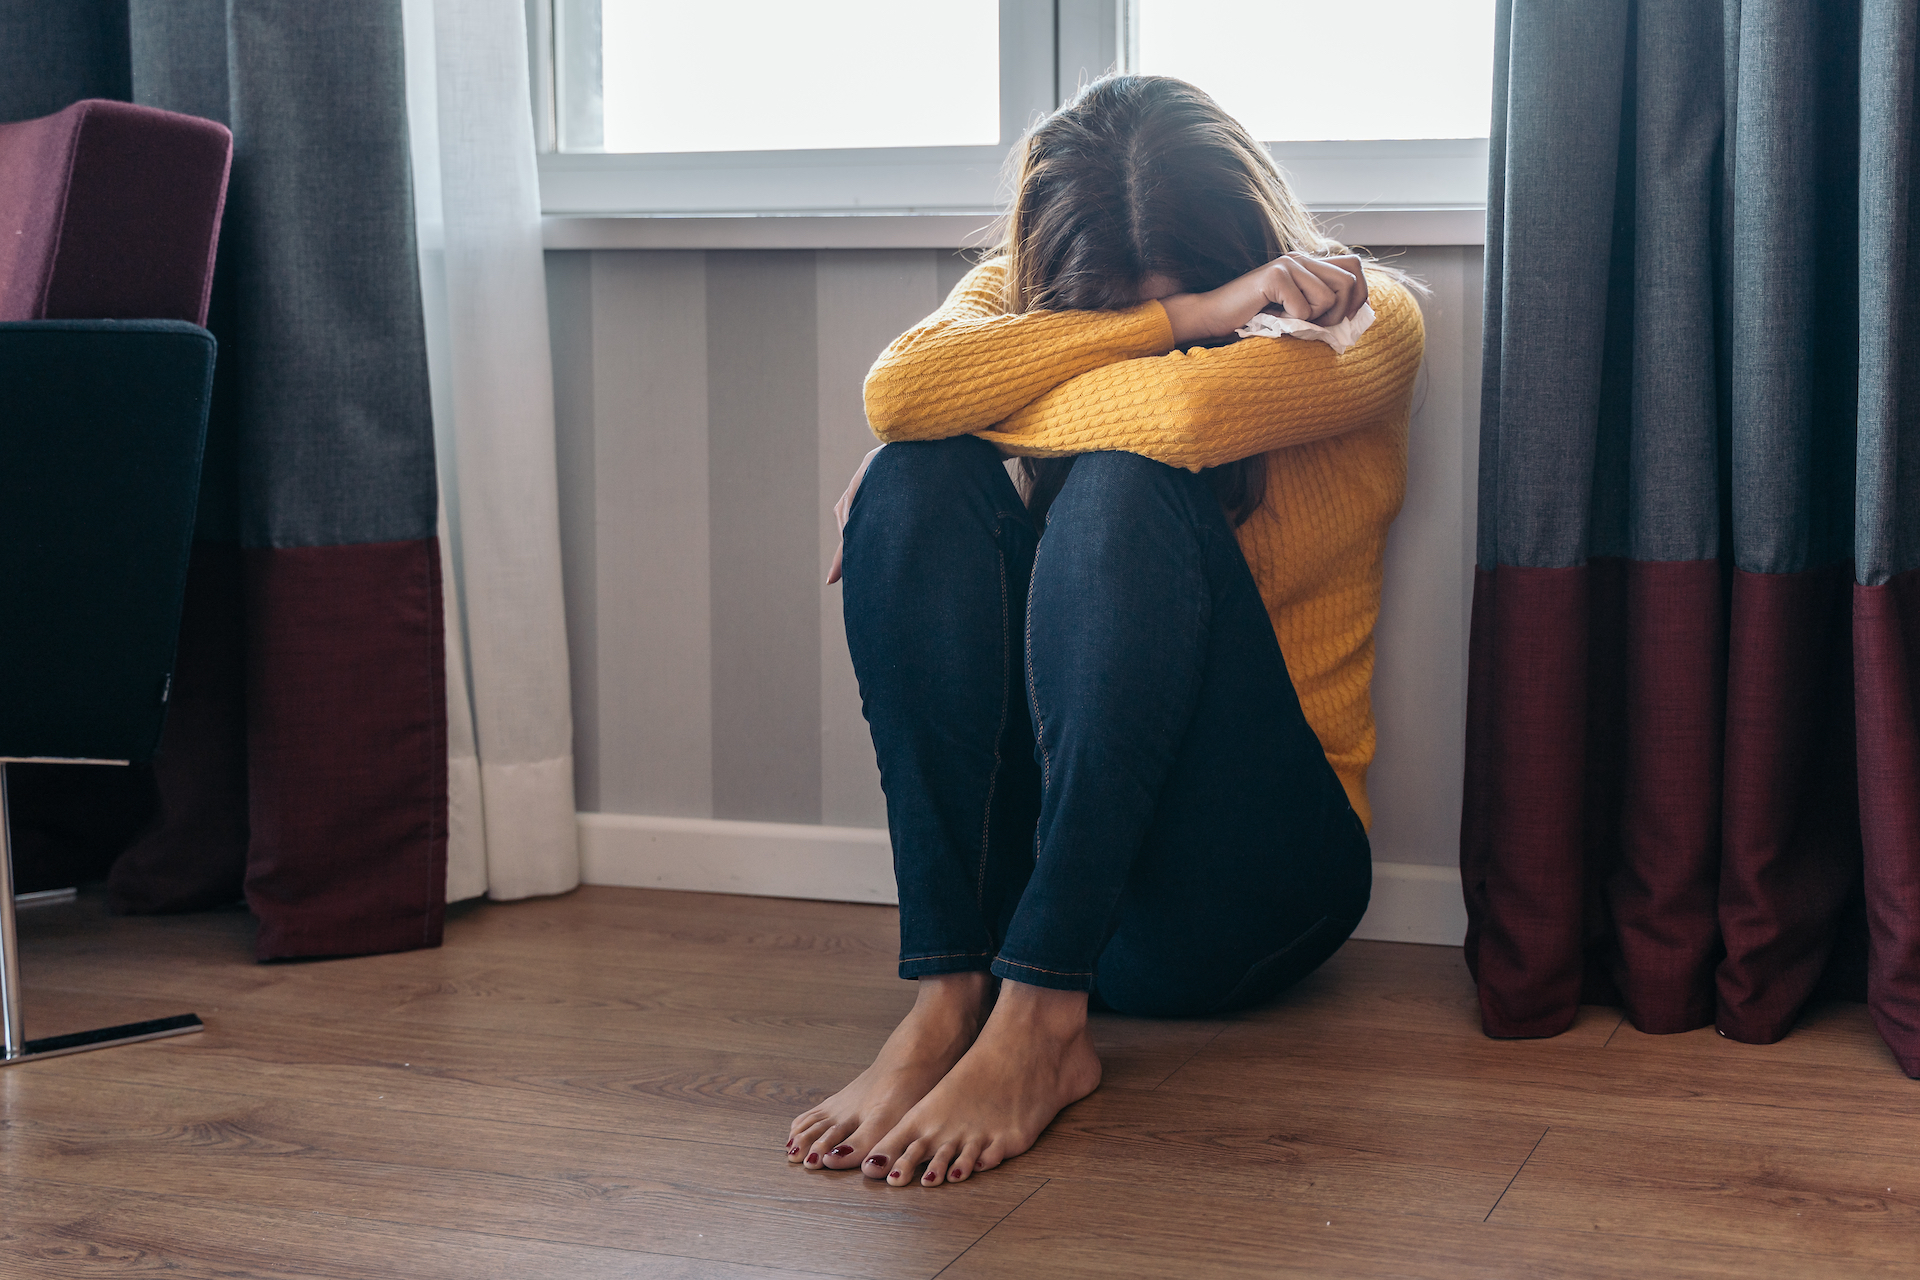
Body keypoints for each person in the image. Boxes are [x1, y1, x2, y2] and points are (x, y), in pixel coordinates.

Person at [787, 74, 1425, 1188]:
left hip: (1245, 893)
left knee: (1125, 481)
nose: (1161, 346)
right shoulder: (1011, 295)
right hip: (1032, 891)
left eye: (1199, 305)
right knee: (913, 475)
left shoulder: (1363, 321)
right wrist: (1181, 320)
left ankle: (1041, 1021)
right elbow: (898, 397)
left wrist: (976, 411)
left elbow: (1178, 416)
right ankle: (948, 999)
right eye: (1106, 321)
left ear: (1253, 250)